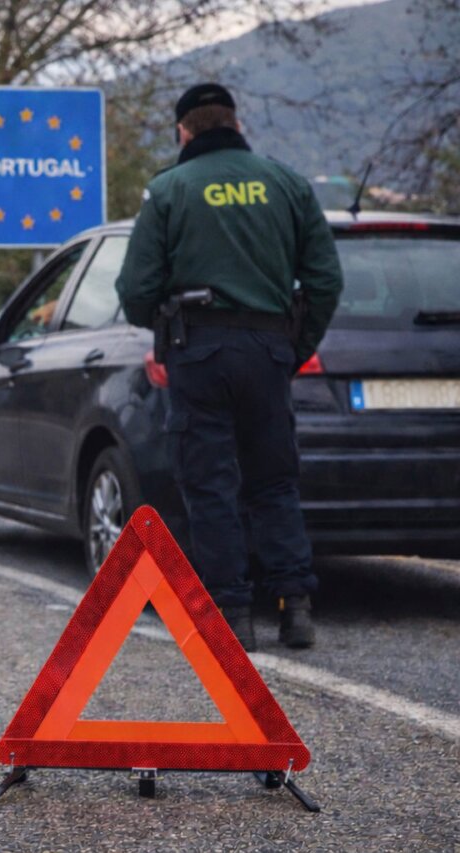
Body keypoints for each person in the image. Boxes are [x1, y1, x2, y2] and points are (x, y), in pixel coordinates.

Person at [114, 83, 344, 651]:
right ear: (236, 125)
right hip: (268, 350)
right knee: (273, 480)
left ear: (183, 131)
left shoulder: (169, 189)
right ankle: (296, 608)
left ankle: (232, 616)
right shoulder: (287, 183)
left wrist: (162, 333)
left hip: (200, 350)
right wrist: (293, 345)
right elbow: (325, 279)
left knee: (212, 484)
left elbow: (135, 288)